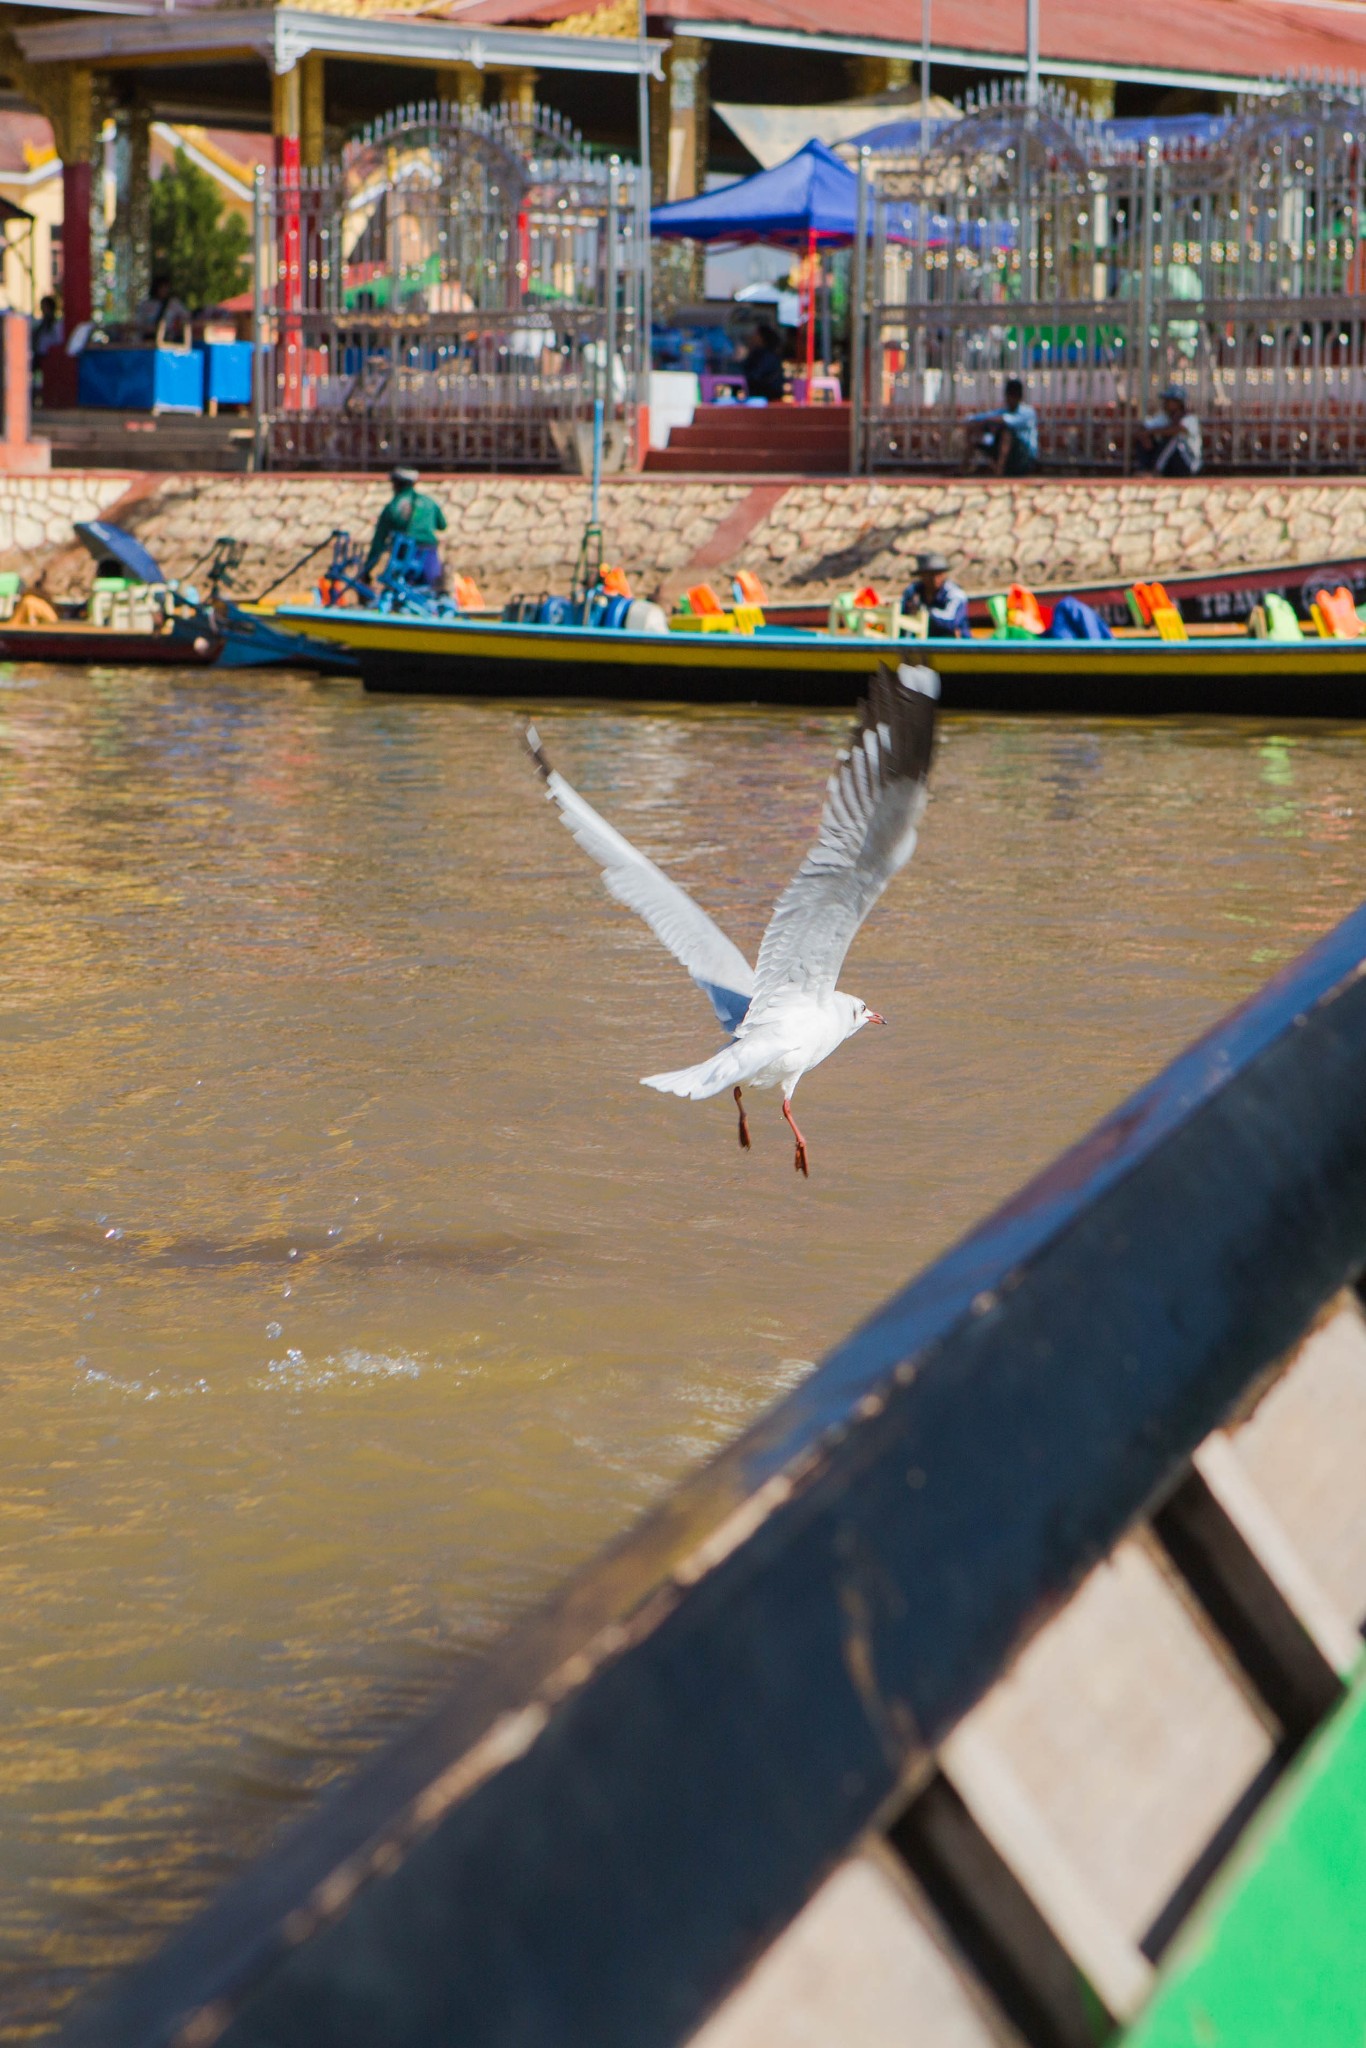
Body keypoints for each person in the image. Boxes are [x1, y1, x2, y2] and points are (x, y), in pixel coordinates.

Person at [363, 467, 449, 589]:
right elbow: (442, 525)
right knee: (432, 591)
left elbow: (379, 542)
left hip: (404, 555)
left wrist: (367, 570)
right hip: (429, 554)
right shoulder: (429, 502)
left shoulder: (392, 507)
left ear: (395, 484)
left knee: (398, 590)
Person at [966, 377, 1039, 476]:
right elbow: (979, 418)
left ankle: (999, 472)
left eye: (1013, 396)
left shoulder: (1028, 413)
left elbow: (1007, 421)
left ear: (1019, 397)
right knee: (976, 435)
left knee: (1006, 433)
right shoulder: (1004, 410)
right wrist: (977, 423)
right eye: (1009, 396)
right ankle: (963, 469)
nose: (1010, 399)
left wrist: (987, 420)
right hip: (1008, 455)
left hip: (1023, 457)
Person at [900, 551, 970, 638]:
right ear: (921, 575)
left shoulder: (955, 593)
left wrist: (926, 612)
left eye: (939, 574)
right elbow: (901, 614)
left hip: (953, 647)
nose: (935, 579)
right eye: (930, 574)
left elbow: (952, 621)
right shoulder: (912, 591)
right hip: (922, 643)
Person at [1136, 387, 1202, 477]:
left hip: (1189, 464)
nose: (1165, 403)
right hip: (1171, 464)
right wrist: (1145, 436)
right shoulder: (1164, 417)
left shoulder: (1190, 418)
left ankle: (1155, 471)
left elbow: (1177, 430)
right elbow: (1144, 427)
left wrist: (1151, 431)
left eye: (1169, 401)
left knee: (1174, 438)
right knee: (1144, 437)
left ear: (1178, 403)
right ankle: (1145, 469)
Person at [134, 274, 190, 344]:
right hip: (145, 340)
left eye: (166, 287)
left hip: (167, 340)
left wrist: (177, 326)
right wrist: (148, 329)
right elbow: (138, 322)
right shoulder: (145, 304)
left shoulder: (174, 303)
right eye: (161, 287)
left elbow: (186, 317)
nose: (164, 290)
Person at [739, 322, 785, 403]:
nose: (752, 337)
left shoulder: (767, 356)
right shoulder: (757, 354)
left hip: (768, 399)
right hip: (760, 398)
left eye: (755, 334)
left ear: (762, 338)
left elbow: (754, 376)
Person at [30, 295, 62, 369]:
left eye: (44, 307)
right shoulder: (40, 323)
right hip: (39, 354)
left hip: (51, 356)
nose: (42, 309)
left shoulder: (56, 324)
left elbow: (58, 340)